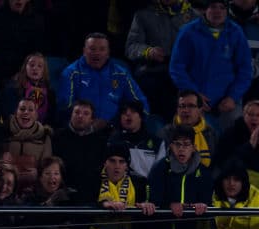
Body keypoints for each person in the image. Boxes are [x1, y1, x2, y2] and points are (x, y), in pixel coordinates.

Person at [169, 0, 251, 133]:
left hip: (228, 102)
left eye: (222, 8)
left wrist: (232, 97)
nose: (217, 11)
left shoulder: (236, 32)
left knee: (236, 130)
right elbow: (176, 68)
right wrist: (193, 94)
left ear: (227, 10)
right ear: (205, 10)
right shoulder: (188, 32)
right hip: (196, 101)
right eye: (213, 7)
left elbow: (245, 70)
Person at [58, 33, 149, 128]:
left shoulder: (121, 74)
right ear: (84, 51)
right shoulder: (71, 73)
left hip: (115, 130)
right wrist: (84, 125)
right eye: (92, 49)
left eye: (102, 49)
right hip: (81, 130)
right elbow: (64, 108)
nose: (97, 53)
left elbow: (141, 105)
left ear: (108, 53)